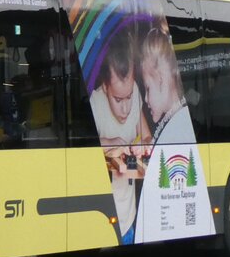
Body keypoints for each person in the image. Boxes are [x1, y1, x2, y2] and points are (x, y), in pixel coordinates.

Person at [135, 25, 214, 243]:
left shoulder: (175, 126)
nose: (145, 100)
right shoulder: (174, 120)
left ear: (161, 79)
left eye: (147, 89)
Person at [91, 26, 151, 243]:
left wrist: (143, 145)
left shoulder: (134, 92)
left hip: (128, 217)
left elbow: (147, 137)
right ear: (105, 87)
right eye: (118, 100)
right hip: (102, 217)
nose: (126, 109)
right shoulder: (95, 103)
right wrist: (107, 143)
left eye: (129, 97)